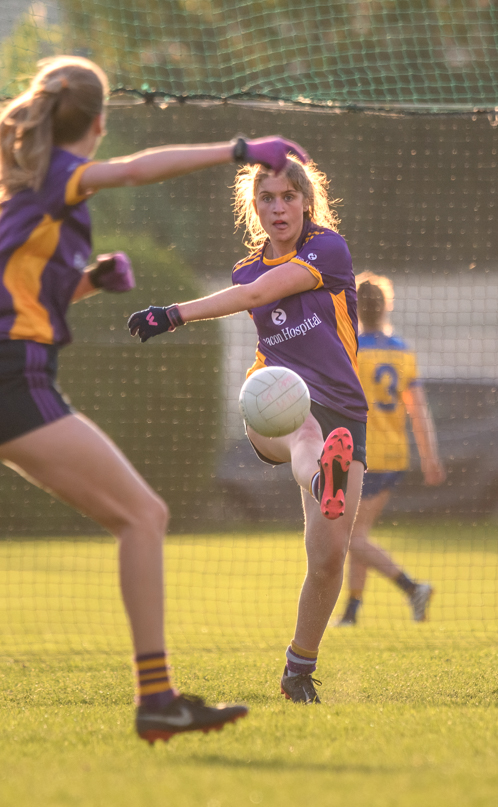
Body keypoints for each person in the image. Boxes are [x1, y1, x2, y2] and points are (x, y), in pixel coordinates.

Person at [0, 54, 309, 742]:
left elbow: (25, 299)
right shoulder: (62, 174)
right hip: (7, 378)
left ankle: (159, 698)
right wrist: (239, 149)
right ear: (96, 122)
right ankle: (157, 698)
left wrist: (89, 281)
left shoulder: (27, 192)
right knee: (144, 515)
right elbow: (137, 168)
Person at [128, 156, 368, 705]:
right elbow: (251, 290)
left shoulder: (327, 249)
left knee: (330, 557)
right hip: (272, 395)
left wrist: (173, 313)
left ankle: (298, 669)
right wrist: (176, 315)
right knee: (303, 427)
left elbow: (261, 295)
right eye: (266, 198)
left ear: (306, 201)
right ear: (252, 207)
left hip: (345, 412)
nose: (278, 207)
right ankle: (321, 477)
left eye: (287, 196)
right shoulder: (244, 268)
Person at [337, 272, 446, 626]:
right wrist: (430, 458)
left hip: (361, 454)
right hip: (395, 455)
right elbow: (419, 410)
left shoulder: (350, 348)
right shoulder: (402, 351)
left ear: (355, 308)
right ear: (386, 306)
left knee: (350, 536)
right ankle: (352, 611)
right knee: (359, 534)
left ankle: (412, 587)